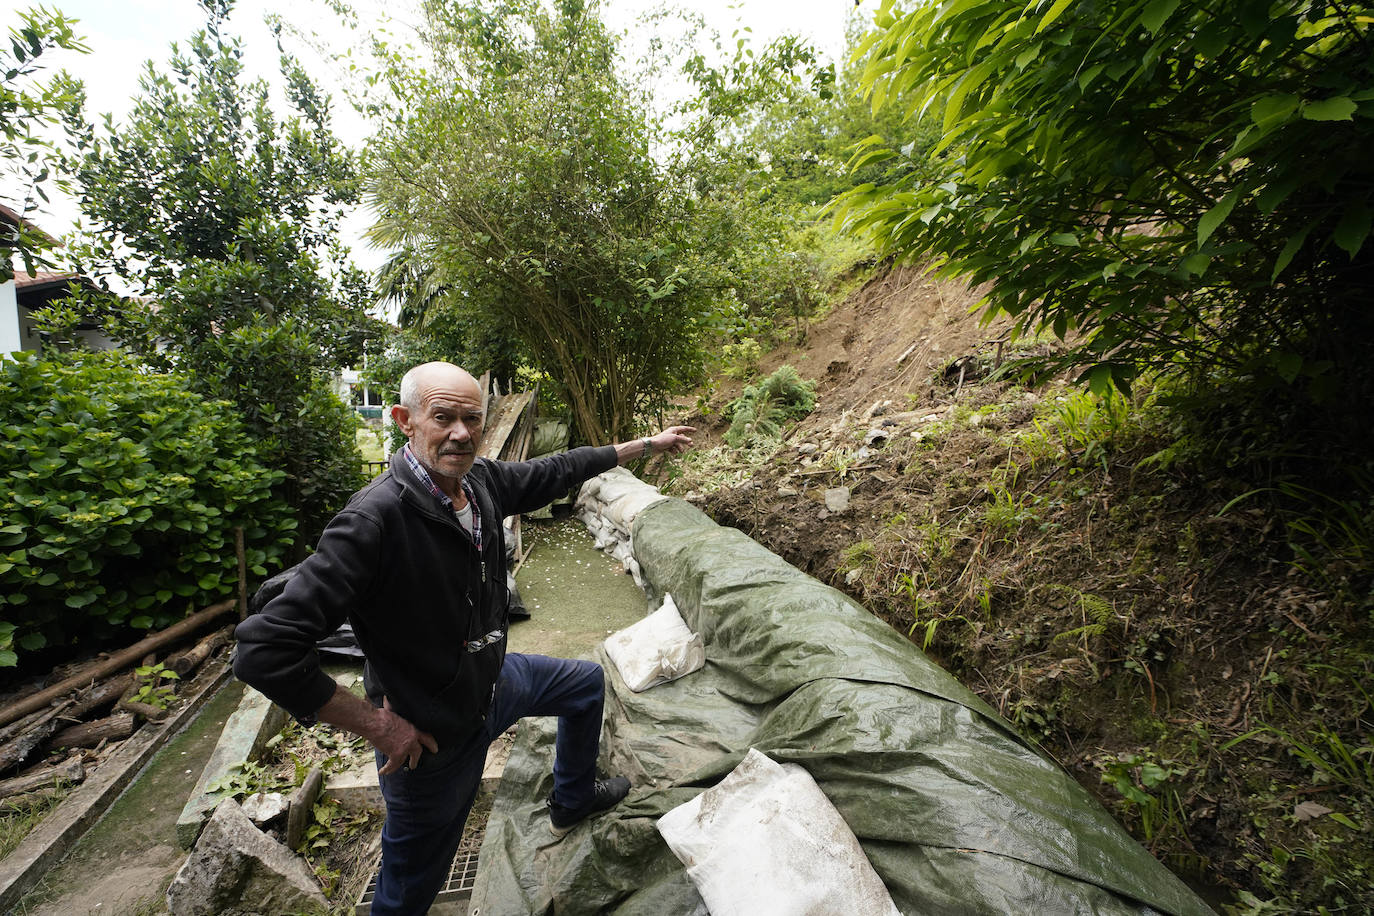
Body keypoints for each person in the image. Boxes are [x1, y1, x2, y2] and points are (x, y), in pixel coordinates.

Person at [233, 361, 694, 914]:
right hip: (430, 736)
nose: (460, 432)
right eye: (443, 417)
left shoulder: (478, 482)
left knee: (585, 683)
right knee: (409, 886)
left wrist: (647, 444)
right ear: (405, 420)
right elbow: (263, 651)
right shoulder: (373, 522)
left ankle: (571, 798)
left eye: (471, 419)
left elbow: (558, 469)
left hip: (493, 684)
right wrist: (379, 726)